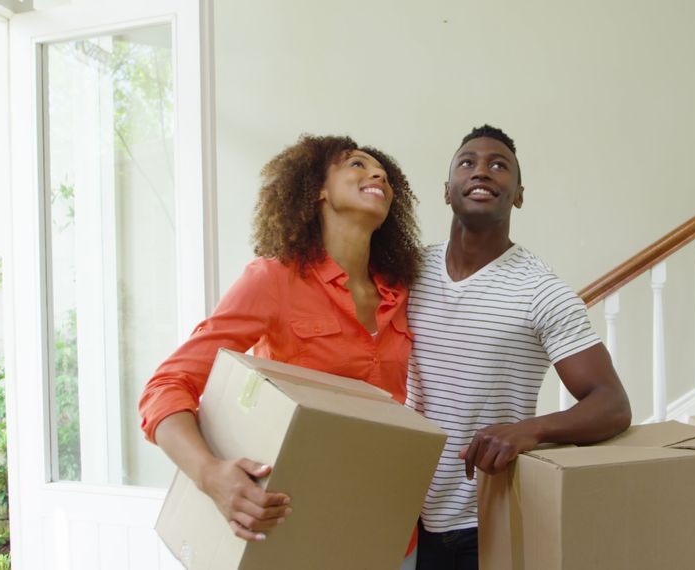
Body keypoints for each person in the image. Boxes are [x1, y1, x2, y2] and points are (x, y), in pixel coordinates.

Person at [139, 135, 422, 542]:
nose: (377, 173)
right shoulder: (274, 280)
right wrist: (210, 474)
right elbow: (165, 388)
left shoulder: (405, 293)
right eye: (356, 164)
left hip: (389, 525)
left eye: (382, 171)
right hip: (294, 524)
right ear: (318, 189)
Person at [406, 125, 632, 569]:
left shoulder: (541, 291)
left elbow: (612, 404)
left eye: (498, 165)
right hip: (402, 512)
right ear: (447, 191)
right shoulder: (408, 270)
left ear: (519, 195)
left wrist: (531, 430)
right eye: (467, 163)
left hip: (482, 522)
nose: (482, 171)